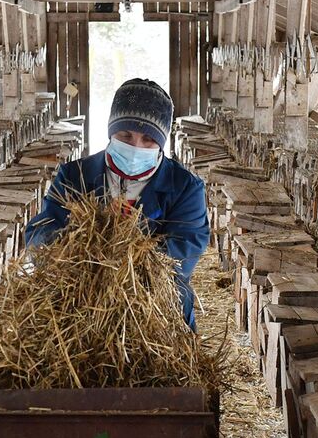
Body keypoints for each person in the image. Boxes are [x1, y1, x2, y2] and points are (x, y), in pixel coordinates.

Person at [24, 78, 210, 330]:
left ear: (161, 142)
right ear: (111, 131)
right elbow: (40, 233)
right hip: (78, 302)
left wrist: (118, 262)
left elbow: (183, 254)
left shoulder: (185, 188)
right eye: (126, 135)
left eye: (148, 139)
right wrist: (75, 249)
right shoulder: (74, 176)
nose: (136, 146)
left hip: (154, 308)